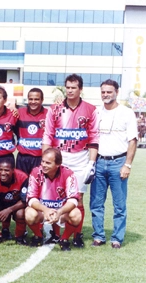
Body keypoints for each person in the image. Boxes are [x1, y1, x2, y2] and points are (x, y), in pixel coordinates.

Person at [42, 74, 99, 248]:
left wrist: (91, 163)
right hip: (60, 157)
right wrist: (45, 160)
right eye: (68, 87)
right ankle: (55, 233)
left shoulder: (91, 109)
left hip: (81, 158)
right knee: (56, 197)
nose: (70, 90)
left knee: (78, 198)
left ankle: (75, 235)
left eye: (74, 87)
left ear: (80, 89)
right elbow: (48, 134)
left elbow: (94, 137)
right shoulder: (55, 108)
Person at [90, 79, 137, 249]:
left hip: (118, 162)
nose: (105, 95)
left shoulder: (126, 113)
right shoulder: (96, 112)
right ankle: (98, 236)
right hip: (99, 162)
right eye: (103, 92)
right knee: (96, 202)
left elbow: (133, 141)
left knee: (119, 204)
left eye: (109, 92)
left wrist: (128, 165)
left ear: (116, 92)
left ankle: (117, 238)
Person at [25, 148, 81, 251]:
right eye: (42, 161)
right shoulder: (35, 172)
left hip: (61, 212)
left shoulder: (68, 174)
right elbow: (31, 199)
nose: (44, 165)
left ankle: (64, 239)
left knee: (76, 214)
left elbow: (73, 200)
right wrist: (45, 210)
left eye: (48, 163)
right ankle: (38, 236)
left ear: (58, 164)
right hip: (43, 211)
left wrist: (59, 212)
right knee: (29, 213)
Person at [0, 159, 29, 249]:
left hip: (17, 205)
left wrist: (9, 210)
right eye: (0, 170)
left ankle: (19, 237)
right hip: (0, 204)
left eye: (7, 170)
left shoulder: (23, 177)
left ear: (13, 170)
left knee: (21, 213)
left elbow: (25, 201)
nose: (3, 173)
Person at [15, 88, 48, 175]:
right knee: (22, 186)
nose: (33, 102)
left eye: (36, 99)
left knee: (40, 186)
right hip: (22, 159)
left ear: (42, 100)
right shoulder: (19, 113)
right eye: (31, 99)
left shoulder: (49, 115)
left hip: (41, 158)